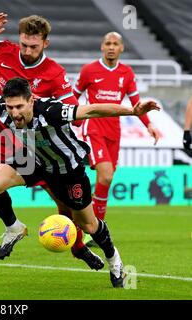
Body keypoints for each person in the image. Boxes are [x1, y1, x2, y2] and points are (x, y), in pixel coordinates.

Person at [0, 59, 159, 287]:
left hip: (68, 171)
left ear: (31, 100)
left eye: (19, 107)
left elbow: (91, 110)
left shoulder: (50, 111)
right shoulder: (3, 108)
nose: (14, 113)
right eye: (10, 107)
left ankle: (114, 260)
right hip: (34, 161)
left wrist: (133, 111)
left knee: (89, 224)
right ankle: (14, 226)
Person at [0, 13, 96, 285]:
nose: (28, 51)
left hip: (32, 146)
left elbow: (76, 113)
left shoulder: (54, 73)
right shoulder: (1, 51)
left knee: (64, 204)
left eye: (34, 46)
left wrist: (48, 110)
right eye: (24, 45)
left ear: (46, 43)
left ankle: (78, 247)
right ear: (18, 41)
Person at [73, 32, 160, 246]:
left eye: (116, 44)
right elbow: (72, 96)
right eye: (108, 43)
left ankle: (95, 226)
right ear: (102, 47)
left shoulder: (126, 73)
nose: (111, 47)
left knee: (106, 180)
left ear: (122, 48)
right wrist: (68, 119)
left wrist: (148, 124)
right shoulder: (89, 70)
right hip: (93, 126)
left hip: (114, 130)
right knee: (105, 176)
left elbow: (136, 103)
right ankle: (92, 228)